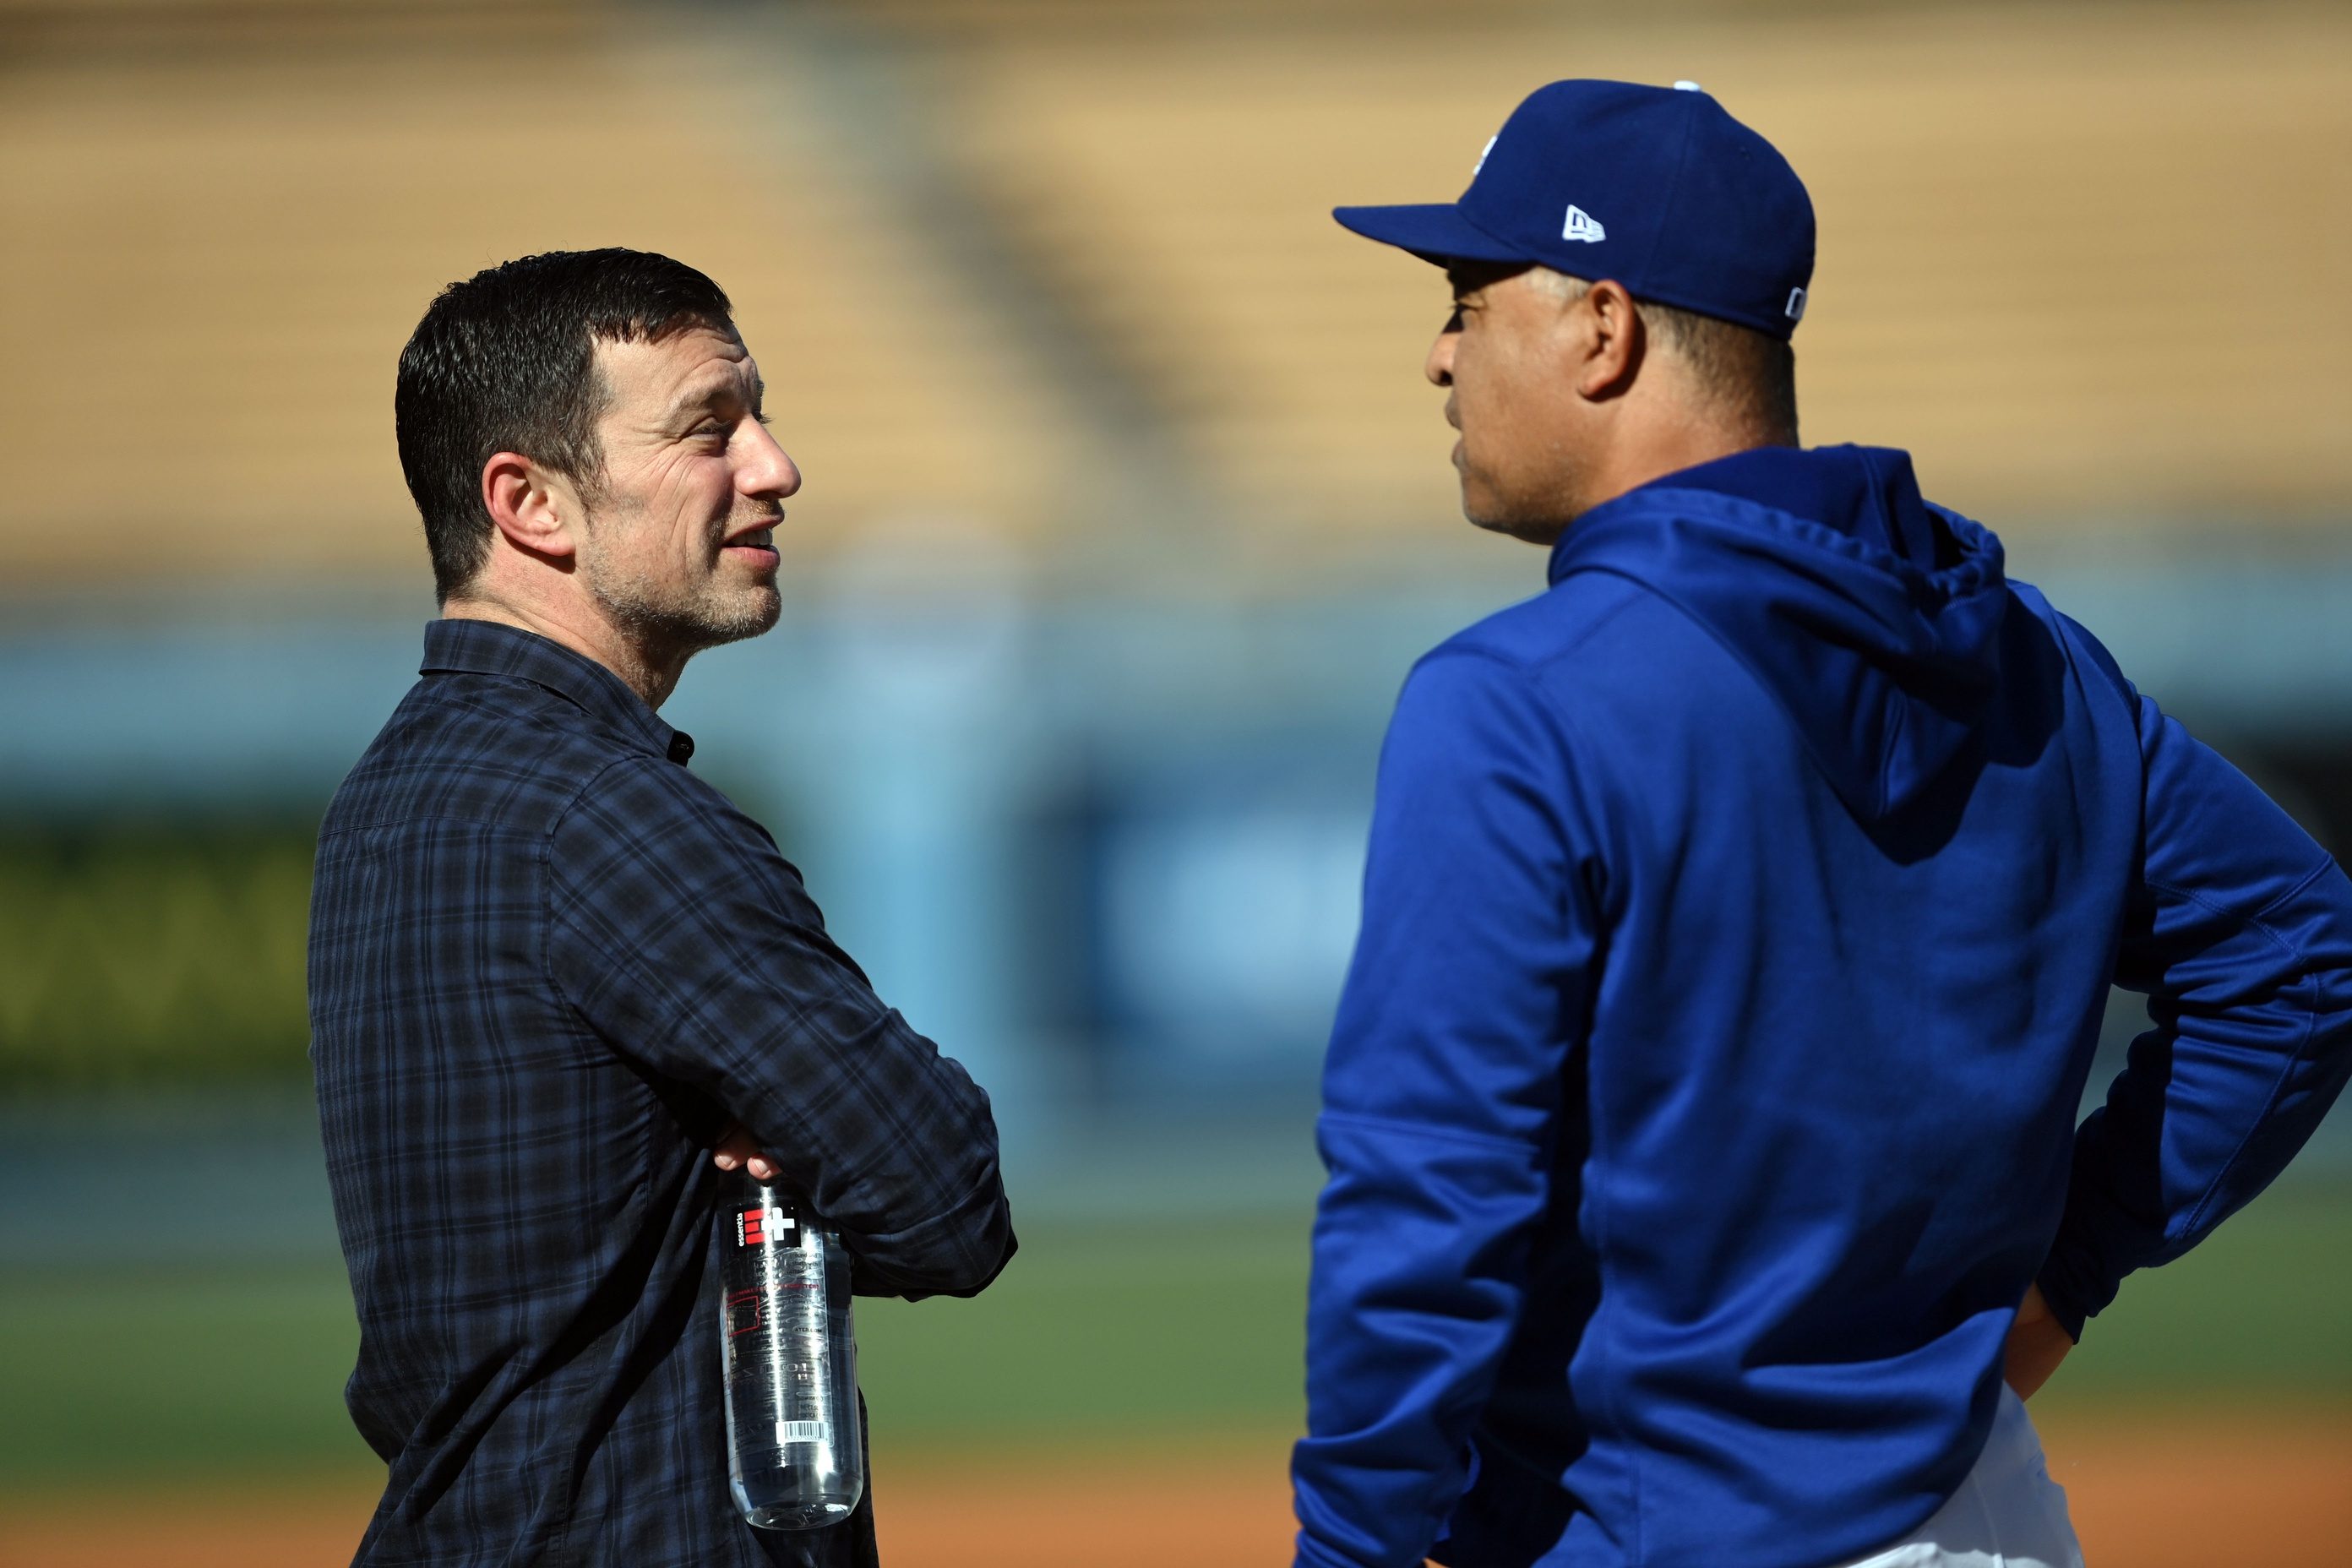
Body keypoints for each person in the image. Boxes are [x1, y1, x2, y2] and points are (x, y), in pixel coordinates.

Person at [1293, 79, 2352, 1568]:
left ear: (1604, 327)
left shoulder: (1520, 700)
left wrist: (1348, 1547)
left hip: (1648, 1528)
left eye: (1471, 296)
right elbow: (2305, 954)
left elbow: (1426, 1200)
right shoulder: (2026, 656)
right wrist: (2068, 1281)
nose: (1438, 352)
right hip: (1978, 1510)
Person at [310, 248, 1015, 1567]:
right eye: (709, 430)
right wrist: (800, 1142)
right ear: (530, 503)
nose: (776, 466)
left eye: (758, 415)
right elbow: (943, 1193)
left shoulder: (389, 794)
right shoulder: (604, 815)